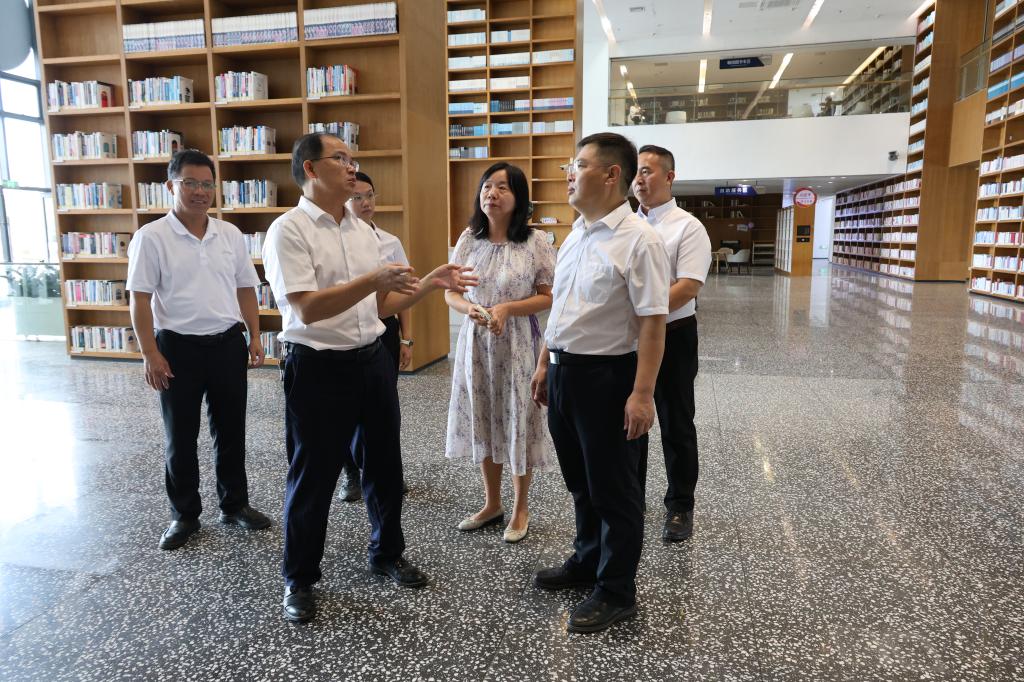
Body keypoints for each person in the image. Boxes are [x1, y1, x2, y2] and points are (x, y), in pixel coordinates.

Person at [263, 133, 476, 623]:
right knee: (313, 475)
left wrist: (430, 283)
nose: (351, 166)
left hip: (371, 360)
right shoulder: (288, 230)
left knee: (384, 466)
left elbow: (380, 305)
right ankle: (299, 578)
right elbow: (307, 308)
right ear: (310, 169)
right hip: (317, 365)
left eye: (352, 158)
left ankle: (386, 553)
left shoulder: (362, 232)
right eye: (340, 158)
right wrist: (373, 280)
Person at [530, 132, 669, 633]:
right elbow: (560, 310)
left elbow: (653, 322)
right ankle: (587, 560)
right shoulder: (575, 235)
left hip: (608, 379)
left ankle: (616, 590)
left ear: (612, 175)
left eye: (580, 164)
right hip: (564, 374)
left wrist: (642, 394)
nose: (569, 173)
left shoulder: (640, 240)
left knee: (615, 490)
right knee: (581, 483)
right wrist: (544, 364)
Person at [126, 149, 271, 551]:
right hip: (176, 348)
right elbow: (139, 299)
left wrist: (255, 335)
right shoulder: (151, 237)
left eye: (207, 184)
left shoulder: (229, 235)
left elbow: (246, 287)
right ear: (171, 186)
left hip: (227, 344)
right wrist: (150, 353)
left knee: (231, 431)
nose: (200, 191)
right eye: (190, 183)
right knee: (180, 436)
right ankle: (184, 515)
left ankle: (234, 505)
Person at [445, 162, 556, 544]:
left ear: (518, 197)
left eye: (502, 187)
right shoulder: (469, 239)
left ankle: (521, 506)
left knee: (517, 417)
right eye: (487, 186)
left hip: (518, 342)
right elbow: (451, 293)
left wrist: (507, 309)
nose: (491, 193)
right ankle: (492, 503)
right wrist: (470, 309)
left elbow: (548, 296)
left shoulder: (535, 241)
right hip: (477, 343)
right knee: (485, 415)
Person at [632, 145, 712, 542]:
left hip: (673, 335)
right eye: (635, 172)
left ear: (669, 176)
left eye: (647, 171)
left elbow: (687, 288)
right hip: (627, 338)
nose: (639, 179)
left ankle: (680, 505)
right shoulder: (624, 225)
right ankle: (632, 498)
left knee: (676, 422)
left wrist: (644, 311)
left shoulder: (687, 227)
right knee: (630, 421)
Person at [337, 171, 413, 503]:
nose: (365, 202)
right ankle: (352, 473)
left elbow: (405, 292)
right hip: (348, 331)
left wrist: (407, 339)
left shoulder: (389, 241)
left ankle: (386, 470)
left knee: (384, 406)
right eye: (356, 197)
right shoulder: (336, 242)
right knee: (348, 409)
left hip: (385, 329)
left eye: (369, 195)